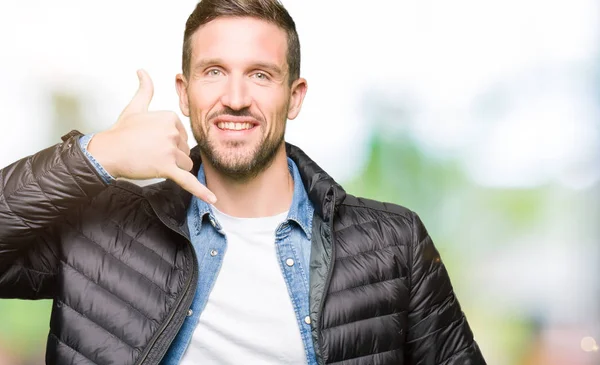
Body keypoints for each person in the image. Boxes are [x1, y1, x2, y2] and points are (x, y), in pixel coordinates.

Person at [0, 0, 486, 364]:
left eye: (260, 75)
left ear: (294, 96)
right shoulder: (103, 230)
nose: (235, 98)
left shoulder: (393, 244)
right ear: (184, 94)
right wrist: (96, 155)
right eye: (214, 72)